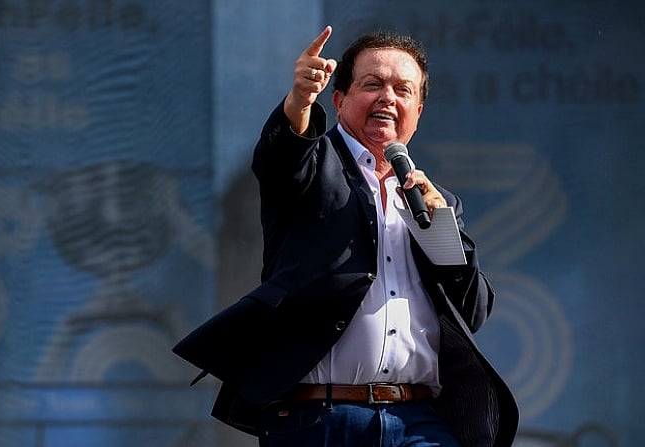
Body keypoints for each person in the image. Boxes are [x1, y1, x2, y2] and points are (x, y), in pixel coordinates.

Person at [173, 26, 518, 447]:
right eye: (372, 84)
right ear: (338, 101)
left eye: (402, 89)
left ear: (418, 111)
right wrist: (299, 103)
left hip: (420, 420)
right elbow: (283, 156)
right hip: (319, 417)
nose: (388, 97)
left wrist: (442, 230)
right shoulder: (315, 167)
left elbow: (472, 313)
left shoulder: (436, 200)